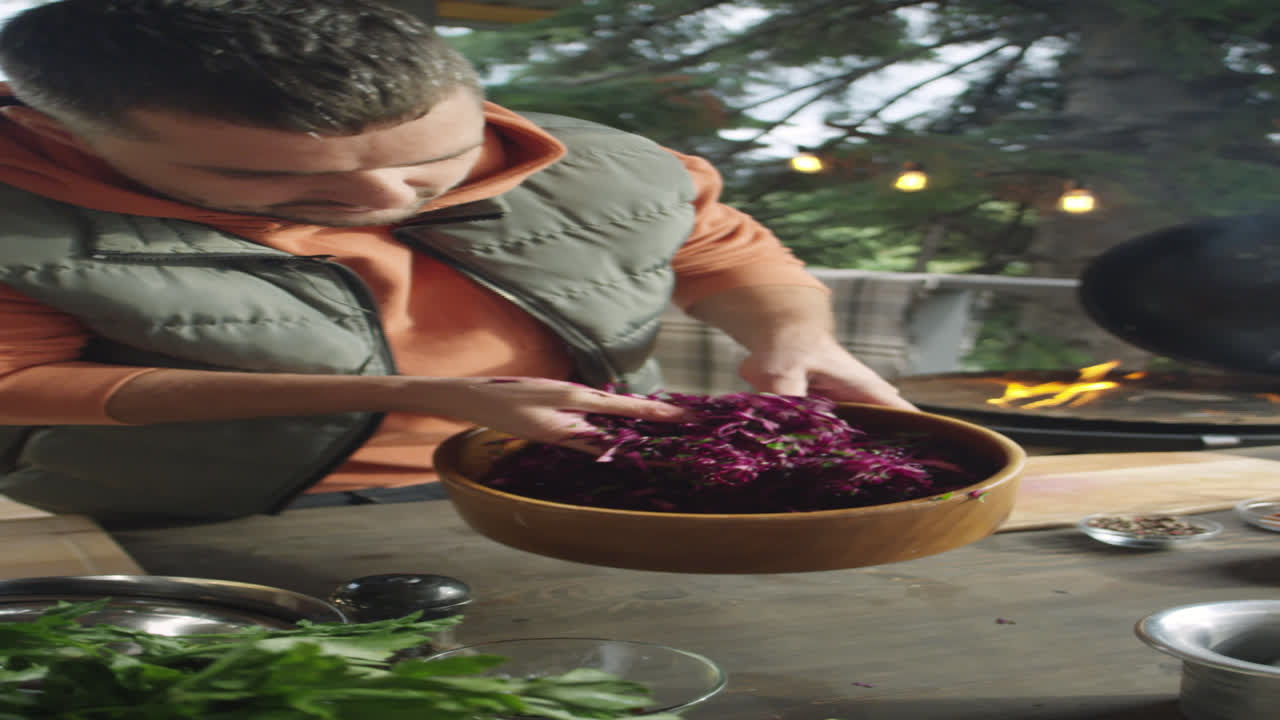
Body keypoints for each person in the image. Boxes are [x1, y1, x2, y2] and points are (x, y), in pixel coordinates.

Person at [0, 0, 913, 527]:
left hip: (588, 486)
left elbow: (724, 251)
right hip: (212, 514)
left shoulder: (608, 162)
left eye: (437, 160)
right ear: (48, 124)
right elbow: (18, 382)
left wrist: (796, 338)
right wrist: (411, 398)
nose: (383, 199)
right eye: (269, 177)